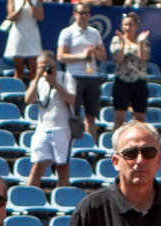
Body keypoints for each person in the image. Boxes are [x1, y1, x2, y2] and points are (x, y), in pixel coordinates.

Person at [24, 50, 76, 188]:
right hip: (42, 129)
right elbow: (28, 99)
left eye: (49, 66)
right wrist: (36, 78)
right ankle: (31, 197)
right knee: (37, 167)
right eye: (42, 66)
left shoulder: (65, 77)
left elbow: (71, 99)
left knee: (62, 169)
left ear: (55, 66)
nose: (46, 69)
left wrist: (54, 82)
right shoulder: (38, 81)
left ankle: (63, 201)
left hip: (62, 128)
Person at [57, 3, 106, 142]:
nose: (84, 15)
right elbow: (61, 56)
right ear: (75, 14)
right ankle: (72, 145)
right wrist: (82, 56)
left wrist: (94, 52)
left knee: (91, 116)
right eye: (81, 12)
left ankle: (92, 147)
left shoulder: (95, 33)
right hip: (74, 77)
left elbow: (103, 56)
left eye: (87, 12)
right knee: (74, 115)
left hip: (92, 77)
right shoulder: (67, 32)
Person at [110, 12, 150, 131]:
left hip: (139, 81)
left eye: (130, 25)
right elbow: (118, 60)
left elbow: (143, 59)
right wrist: (122, 44)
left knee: (140, 119)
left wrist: (141, 43)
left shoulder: (143, 40)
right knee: (119, 118)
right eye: (125, 25)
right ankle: (117, 146)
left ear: (136, 26)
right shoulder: (117, 39)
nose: (128, 28)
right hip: (122, 81)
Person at [3, 0, 43, 82]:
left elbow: (41, 17)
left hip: (32, 35)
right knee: (19, 68)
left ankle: (33, 92)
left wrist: (31, 4)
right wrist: (22, 6)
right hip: (18, 35)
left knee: (34, 68)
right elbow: (12, 17)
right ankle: (17, 93)